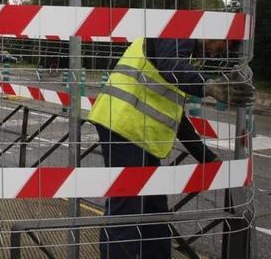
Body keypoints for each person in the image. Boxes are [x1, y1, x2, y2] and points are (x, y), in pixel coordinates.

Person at [87, 37, 255, 258]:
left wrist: (206, 156)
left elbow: (177, 118)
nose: (220, 52)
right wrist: (208, 86)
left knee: (154, 211)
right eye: (225, 45)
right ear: (211, 32)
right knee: (128, 209)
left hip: (139, 136)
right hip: (124, 127)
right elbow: (171, 65)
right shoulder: (177, 32)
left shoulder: (183, 56)